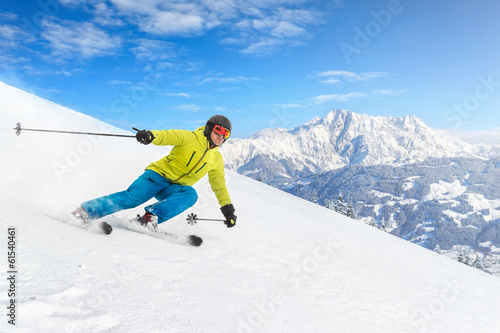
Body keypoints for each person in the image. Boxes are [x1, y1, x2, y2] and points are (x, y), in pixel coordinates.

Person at [72, 115, 237, 231]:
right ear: (209, 129)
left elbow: (219, 185)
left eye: (226, 134)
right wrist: (151, 135)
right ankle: (86, 211)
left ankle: (149, 218)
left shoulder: (216, 159)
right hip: (156, 177)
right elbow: (167, 135)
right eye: (218, 130)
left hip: (174, 188)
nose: (221, 136)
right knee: (132, 199)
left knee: (190, 194)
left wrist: (227, 209)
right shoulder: (189, 138)